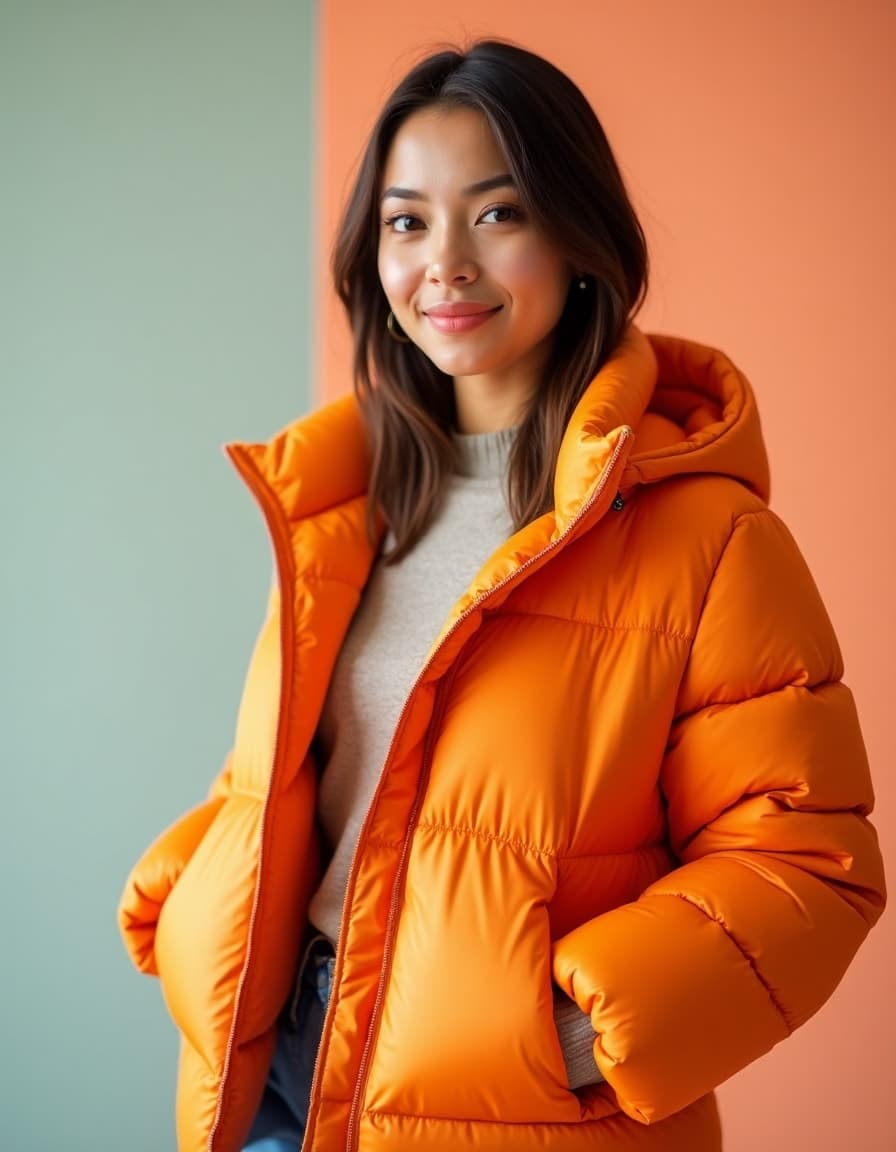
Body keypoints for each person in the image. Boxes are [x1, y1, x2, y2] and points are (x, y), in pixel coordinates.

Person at [118, 40, 886, 1152]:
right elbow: (310, 782)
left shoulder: (705, 536)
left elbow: (805, 862)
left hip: (511, 1112)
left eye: (496, 214)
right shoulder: (348, 510)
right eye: (406, 221)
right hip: (277, 1079)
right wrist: (188, 895)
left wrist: (561, 1039)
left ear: (578, 235)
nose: (444, 264)